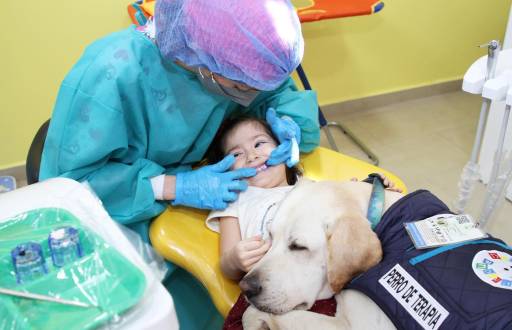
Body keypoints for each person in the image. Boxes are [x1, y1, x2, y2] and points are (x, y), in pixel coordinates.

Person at [39, 0, 320, 241]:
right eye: (243, 86)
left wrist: (289, 125)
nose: (250, 92)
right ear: (203, 58)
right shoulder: (111, 74)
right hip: (117, 221)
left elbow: (276, 93)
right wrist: (174, 186)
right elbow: (75, 186)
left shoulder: (238, 63)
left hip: (191, 212)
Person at [205, 113, 402, 280]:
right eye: (236, 155)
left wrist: (367, 192)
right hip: (283, 278)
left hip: (338, 259)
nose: (252, 156)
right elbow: (226, 263)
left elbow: (336, 206)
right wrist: (234, 260)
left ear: (283, 148)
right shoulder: (235, 200)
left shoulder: (304, 184)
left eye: (259, 143)